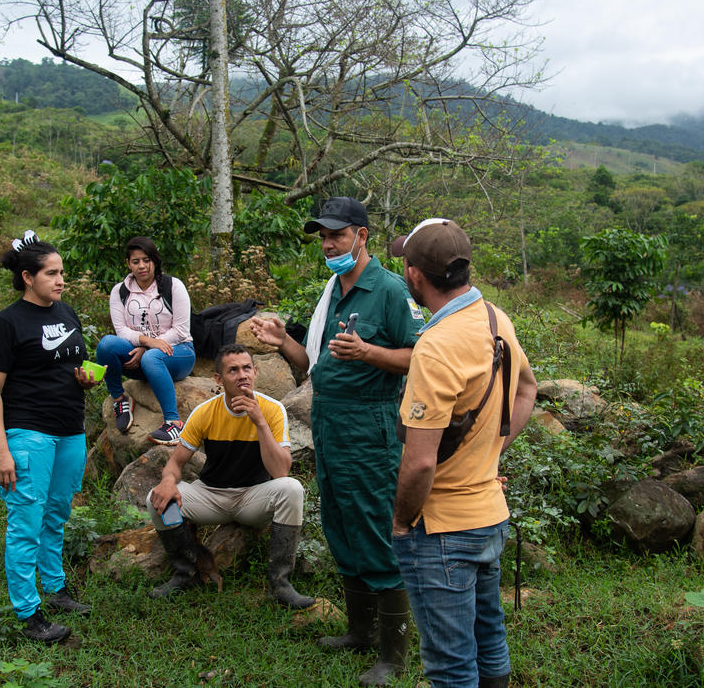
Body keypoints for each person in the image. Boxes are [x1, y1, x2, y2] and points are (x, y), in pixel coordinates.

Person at [250, 196, 423, 685]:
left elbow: (418, 357)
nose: (328, 244)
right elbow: (312, 365)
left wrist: (369, 352)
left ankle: (393, 655)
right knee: (341, 527)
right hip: (328, 420)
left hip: (369, 427)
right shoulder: (332, 289)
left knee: (372, 527)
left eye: (337, 235)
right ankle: (360, 632)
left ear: (361, 236)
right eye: (323, 236)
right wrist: (283, 340)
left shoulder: (388, 290)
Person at [389, 218, 537, 688]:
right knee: (488, 634)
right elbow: (527, 390)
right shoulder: (495, 319)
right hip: (489, 515)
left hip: (442, 530)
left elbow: (420, 461)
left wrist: (400, 521)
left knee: (451, 664)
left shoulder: (435, 347)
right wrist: (489, 451)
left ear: (414, 275)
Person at [0, 230, 100, 644]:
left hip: (69, 430)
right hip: (28, 434)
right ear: (28, 277)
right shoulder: (7, 323)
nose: (61, 280)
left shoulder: (65, 313)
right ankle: (28, 613)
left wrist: (85, 380)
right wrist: (0, 450)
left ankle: (55, 587)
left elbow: (69, 364)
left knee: (56, 514)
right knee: (26, 523)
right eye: (52, 273)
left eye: (62, 272)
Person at [145, 343, 315, 609]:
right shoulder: (205, 412)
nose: (242, 375)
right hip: (210, 496)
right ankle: (186, 573)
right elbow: (176, 463)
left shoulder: (272, 410)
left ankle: (280, 584)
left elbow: (280, 471)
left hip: (253, 499)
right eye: (233, 370)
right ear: (218, 379)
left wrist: (259, 421)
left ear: (256, 372)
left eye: (247, 368)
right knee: (154, 497)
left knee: (292, 488)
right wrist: (168, 481)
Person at [95, 237, 196, 445]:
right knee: (106, 344)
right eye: (135, 261)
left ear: (155, 261)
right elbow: (121, 330)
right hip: (140, 352)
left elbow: (180, 330)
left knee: (151, 358)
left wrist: (149, 346)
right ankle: (120, 399)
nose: (141, 266)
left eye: (146, 260)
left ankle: (173, 423)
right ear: (128, 264)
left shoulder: (172, 286)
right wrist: (145, 343)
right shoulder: (120, 291)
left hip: (179, 352)